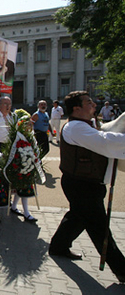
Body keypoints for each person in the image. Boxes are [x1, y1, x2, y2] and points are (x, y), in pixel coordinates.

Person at [49, 91, 125, 283]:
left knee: (78, 216)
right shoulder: (75, 128)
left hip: (88, 183)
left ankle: (58, 246)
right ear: (77, 108)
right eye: (89, 102)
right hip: (80, 185)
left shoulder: (87, 125)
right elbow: (105, 142)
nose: (94, 104)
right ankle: (122, 269)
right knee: (100, 229)